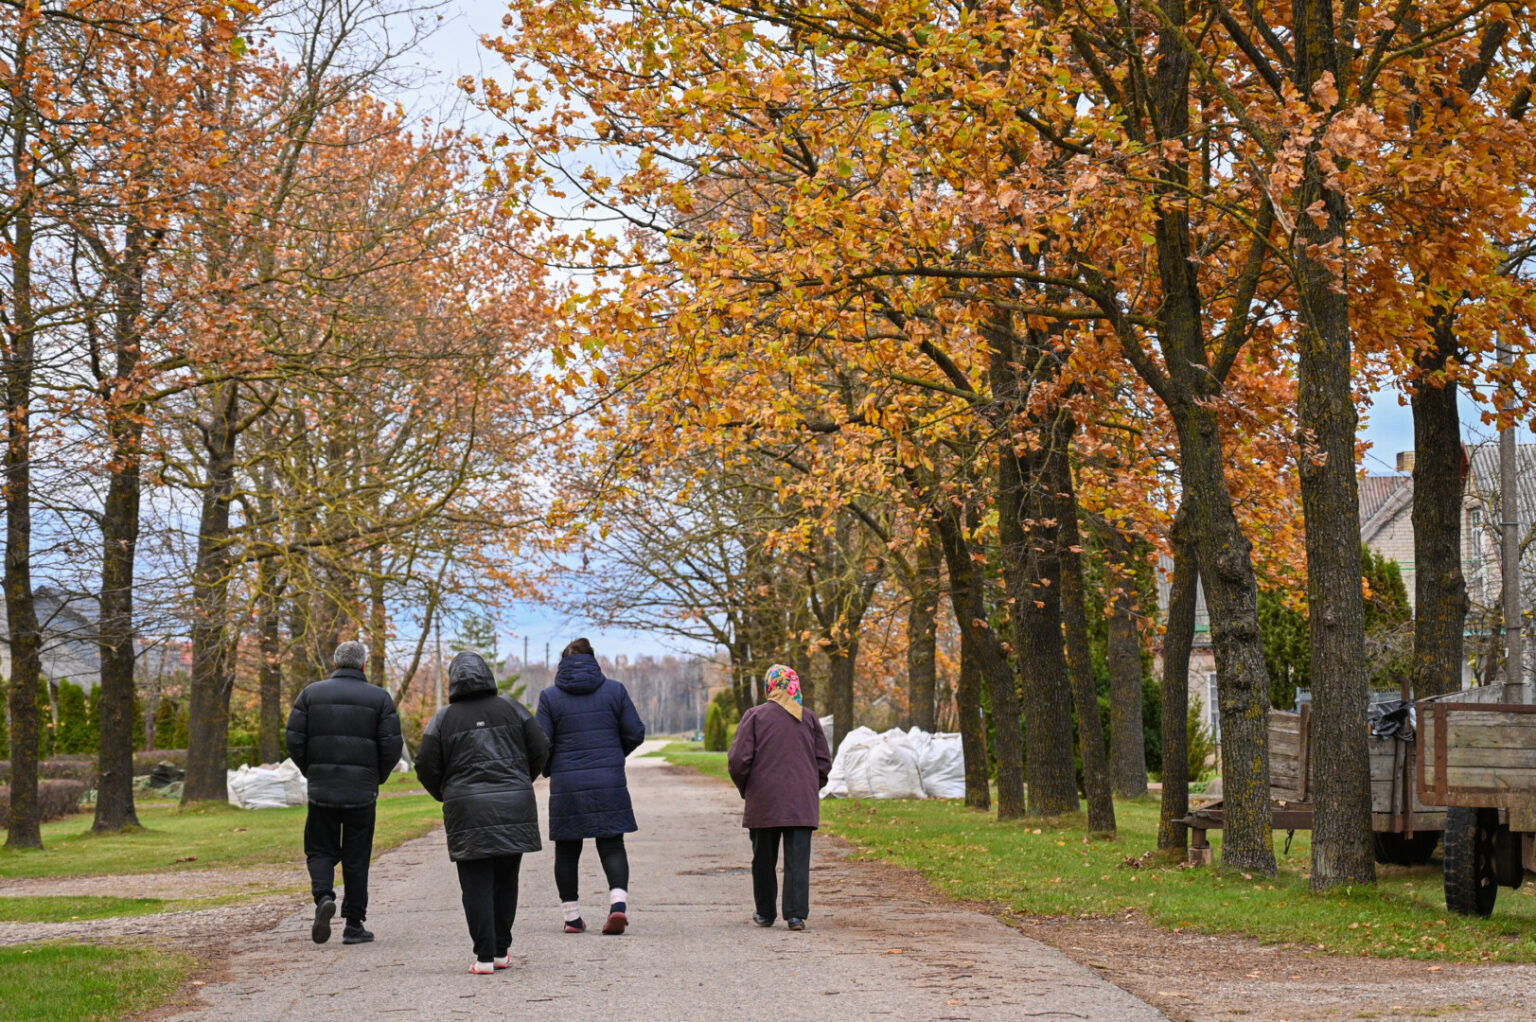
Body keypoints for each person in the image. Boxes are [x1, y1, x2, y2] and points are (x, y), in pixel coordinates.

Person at [416, 651, 550, 975]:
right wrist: (520, 780)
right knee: (507, 879)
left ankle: (485, 956)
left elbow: (425, 765)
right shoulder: (512, 709)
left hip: (466, 808)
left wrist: (445, 793)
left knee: (474, 882)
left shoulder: (444, 719)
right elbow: (541, 747)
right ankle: (502, 950)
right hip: (512, 804)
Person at [286, 640, 404, 946]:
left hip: (322, 788)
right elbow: (392, 745)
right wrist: (376, 776)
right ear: (363, 665)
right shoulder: (380, 698)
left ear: (335, 664)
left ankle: (324, 895)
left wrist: (311, 770)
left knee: (319, 849)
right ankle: (354, 924)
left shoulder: (311, 694)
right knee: (357, 857)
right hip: (361, 792)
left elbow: (294, 739)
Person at [536, 637, 646, 935]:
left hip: (567, 783)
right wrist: (613, 755)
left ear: (563, 663)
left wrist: (550, 768)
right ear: (593, 661)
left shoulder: (550, 697)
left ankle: (572, 918)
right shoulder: (615, 690)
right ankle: (618, 906)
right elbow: (635, 732)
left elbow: (540, 743)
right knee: (611, 843)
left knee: (567, 849)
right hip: (608, 780)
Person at [727, 664, 832, 931]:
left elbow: (739, 760)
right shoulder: (808, 718)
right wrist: (810, 786)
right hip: (801, 802)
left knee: (763, 858)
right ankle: (795, 915)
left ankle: (765, 913)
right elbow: (823, 761)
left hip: (764, 800)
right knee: (798, 860)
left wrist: (747, 788)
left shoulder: (755, 716)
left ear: (770, 686)